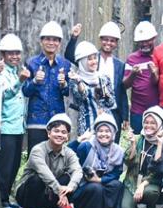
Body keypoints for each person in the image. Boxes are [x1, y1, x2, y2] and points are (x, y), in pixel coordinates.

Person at [66, 22, 129, 142]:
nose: (108, 43)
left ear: (116, 43)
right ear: (100, 40)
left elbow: (121, 90)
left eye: (112, 41)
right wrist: (74, 38)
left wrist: (125, 115)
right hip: (89, 111)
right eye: (106, 40)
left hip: (112, 111)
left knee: (110, 146)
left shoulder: (119, 65)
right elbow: (69, 56)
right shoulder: (89, 56)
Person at [14, 113, 81, 208]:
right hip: (27, 195)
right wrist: (59, 191)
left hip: (49, 195)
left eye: (63, 132)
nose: (60, 135)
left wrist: (69, 187)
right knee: (37, 179)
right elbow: (44, 173)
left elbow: (78, 170)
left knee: (67, 178)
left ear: (67, 137)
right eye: (56, 131)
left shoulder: (69, 153)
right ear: (49, 133)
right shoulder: (38, 150)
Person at [0, 34, 30, 208]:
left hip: (18, 127)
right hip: (5, 127)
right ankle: (0, 201)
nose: (14, 56)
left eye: (17, 53)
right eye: (10, 54)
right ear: (3, 55)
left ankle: (6, 198)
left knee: (14, 165)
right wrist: (20, 81)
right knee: (3, 167)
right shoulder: (1, 73)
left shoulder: (16, 71)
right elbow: (3, 95)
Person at [22, 21, 71, 153]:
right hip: (37, 118)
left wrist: (64, 84)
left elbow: (68, 92)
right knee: (36, 157)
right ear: (41, 41)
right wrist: (35, 81)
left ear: (59, 43)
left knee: (56, 158)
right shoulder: (32, 63)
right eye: (47, 39)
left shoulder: (65, 64)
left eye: (55, 40)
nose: (51, 43)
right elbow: (25, 91)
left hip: (57, 119)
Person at [69, 113, 125, 208]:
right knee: (96, 188)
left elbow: (116, 173)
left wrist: (100, 179)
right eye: (100, 131)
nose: (104, 134)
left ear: (113, 133)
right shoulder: (86, 146)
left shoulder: (118, 151)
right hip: (83, 185)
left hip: (101, 181)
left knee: (117, 185)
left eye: (107, 131)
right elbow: (67, 154)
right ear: (96, 132)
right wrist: (78, 140)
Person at [121, 106, 163, 208]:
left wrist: (160, 144)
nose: (148, 126)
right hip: (132, 181)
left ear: (159, 124)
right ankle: (134, 206)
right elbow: (128, 162)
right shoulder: (137, 139)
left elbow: (157, 171)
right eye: (146, 122)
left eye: (153, 123)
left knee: (151, 193)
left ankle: (150, 207)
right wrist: (133, 145)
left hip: (150, 184)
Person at [69, 41, 117, 136]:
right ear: (82, 61)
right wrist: (79, 82)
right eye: (89, 59)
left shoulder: (103, 78)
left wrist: (105, 93)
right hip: (87, 126)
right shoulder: (75, 80)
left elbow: (111, 103)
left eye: (95, 58)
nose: (94, 62)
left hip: (105, 126)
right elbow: (82, 97)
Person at [124, 22, 161, 134]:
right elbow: (124, 85)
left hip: (158, 110)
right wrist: (133, 74)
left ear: (154, 38)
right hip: (138, 112)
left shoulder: (160, 55)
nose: (144, 44)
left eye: (147, 40)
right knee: (138, 142)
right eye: (141, 41)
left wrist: (155, 74)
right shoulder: (132, 59)